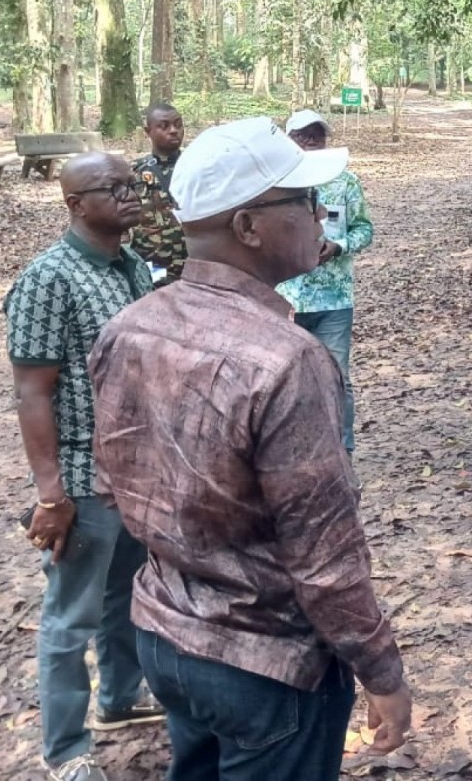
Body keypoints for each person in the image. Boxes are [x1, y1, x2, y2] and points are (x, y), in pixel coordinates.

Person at [89, 117, 411, 781]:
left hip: (164, 632)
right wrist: (381, 669)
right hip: (265, 665)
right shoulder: (289, 361)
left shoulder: (129, 328)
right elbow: (324, 557)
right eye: (303, 202)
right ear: (248, 226)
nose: (321, 214)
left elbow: (116, 479)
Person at [4, 152, 161, 781]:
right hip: (83, 477)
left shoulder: (130, 268)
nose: (132, 195)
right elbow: (31, 393)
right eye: (115, 188)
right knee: (71, 617)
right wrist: (51, 494)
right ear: (76, 204)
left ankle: (120, 700)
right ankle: (64, 750)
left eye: (133, 184)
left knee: (126, 594)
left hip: (136, 472)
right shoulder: (49, 280)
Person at [276, 109, 374, 452]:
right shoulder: (276, 183)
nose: (312, 142)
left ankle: (341, 450)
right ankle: (293, 449)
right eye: (303, 136)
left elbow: (364, 230)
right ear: (289, 140)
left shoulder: (345, 182)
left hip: (334, 301)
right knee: (286, 378)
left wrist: (339, 245)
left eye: (317, 135)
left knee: (336, 377)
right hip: (285, 297)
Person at [131, 103, 187, 286]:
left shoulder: (197, 167)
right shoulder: (135, 173)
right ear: (148, 131)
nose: (173, 131)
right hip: (153, 266)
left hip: (193, 266)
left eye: (178, 124)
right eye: (164, 126)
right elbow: (120, 217)